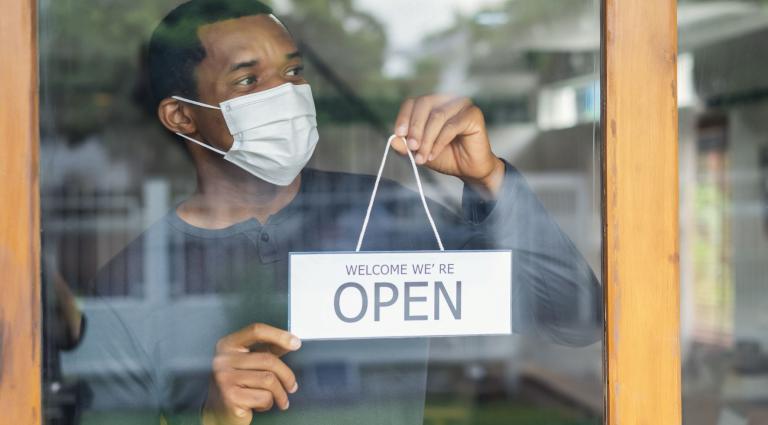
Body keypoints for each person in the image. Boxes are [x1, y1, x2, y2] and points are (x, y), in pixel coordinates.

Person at [77, 1, 602, 424]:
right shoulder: (128, 287)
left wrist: (488, 179)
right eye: (248, 81)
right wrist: (213, 418)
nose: (284, 94)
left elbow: (575, 319)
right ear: (182, 116)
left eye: (293, 71)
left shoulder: (390, 214)